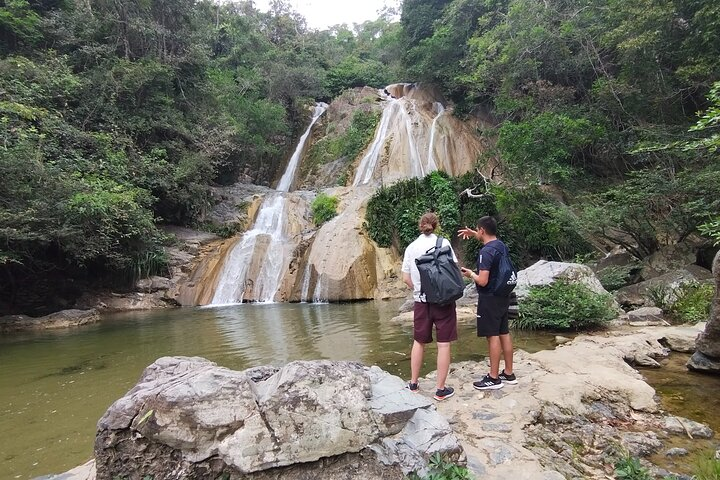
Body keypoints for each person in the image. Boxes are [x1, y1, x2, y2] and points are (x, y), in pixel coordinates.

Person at [401, 212, 459, 401]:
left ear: (420, 226)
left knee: (419, 341)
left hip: (421, 302)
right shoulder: (444, 243)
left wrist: (419, 289)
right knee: (443, 345)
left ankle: (414, 384)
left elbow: (405, 278)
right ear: (436, 225)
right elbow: (453, 269)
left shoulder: (411, 247)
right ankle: (440, 390)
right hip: (444, 301)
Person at [458, 216, 517, 390]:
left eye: (478, 230)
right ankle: (508, 373)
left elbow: (482, 281)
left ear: (482, 230)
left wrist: (470, 274)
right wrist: (474, 232)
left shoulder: (486, 252)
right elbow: (486, 238)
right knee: (503, 332)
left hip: (489, 296)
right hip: (503, 295)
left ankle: (493, 378)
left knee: (492, 335)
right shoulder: (500, 245)